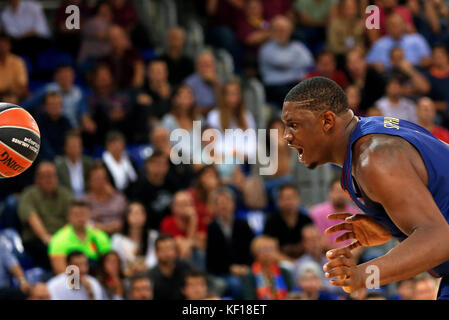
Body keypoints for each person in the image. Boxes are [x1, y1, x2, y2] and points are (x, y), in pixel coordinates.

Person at [281, 76, 449, 299]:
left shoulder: (374, 158)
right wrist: (391, 226)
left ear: (327, 121)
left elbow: (440, 239)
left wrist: (363, 276)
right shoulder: (372, 134)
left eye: (294, 125)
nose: (287, 137)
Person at [18, 162, 74, 270]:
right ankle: (62, 280)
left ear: (57, 178)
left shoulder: (65, 194)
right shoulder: (29, 194)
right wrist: (46, 237)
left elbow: (74, 216)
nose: (49, 179)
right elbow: (31, 217)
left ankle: (75, 282)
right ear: (37, 179)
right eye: (45, 176)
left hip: (63, 238)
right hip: (38, 239)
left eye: (52, 175)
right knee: (50, 250)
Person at [206, 187, 254, 299]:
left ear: (233, 204)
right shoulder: (212, 228)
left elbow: (251, 250)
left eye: (226, 202)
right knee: (236, 284)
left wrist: (245, 267)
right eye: (220, 203)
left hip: (245, 269)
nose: (224, 206)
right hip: (223, 272)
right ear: (215, 207)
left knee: (253, 279)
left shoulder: (243, 224)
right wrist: (230, 269)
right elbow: (212, 259)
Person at [258, 15, 314, 108]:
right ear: (272, 31)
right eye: (278, 30)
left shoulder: (297, 46)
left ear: (290, 31)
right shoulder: (266, 48)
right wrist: (296, 62)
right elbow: (281, 62)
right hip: (275, 86)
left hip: (297, 83)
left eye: (284, 30)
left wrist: (289, 65)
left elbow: (309, 62)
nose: (282, 33)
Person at [48, 200, 111, 274]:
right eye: (76, 214)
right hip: (70, 279)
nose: (80, 217)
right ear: (68, 217)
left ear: (89, 215)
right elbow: (60, 270)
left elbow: (109, 263)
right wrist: (81, 281)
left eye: (83, 214)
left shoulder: (100, 235)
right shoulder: (59, 239)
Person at [263, 183, 313, 262]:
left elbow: (313, 246)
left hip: (306, 263)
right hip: (279, 263)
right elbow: (270, 249)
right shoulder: (272, 221)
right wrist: (292, 263)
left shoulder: (306, 219)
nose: (288, 201)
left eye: (291, 198)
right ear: (279, 200)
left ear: (298, 199)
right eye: (285, 198)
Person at [365, 13, 432, 71]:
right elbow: (366, 63)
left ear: (404, 25)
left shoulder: (417, 40)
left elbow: (429, 60)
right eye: (392, 25)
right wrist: (374, 66)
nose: (395, 28)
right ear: (387, 27)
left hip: (414, 73)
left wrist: (419, 64)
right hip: (387, 77)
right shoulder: (379, 44)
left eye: (398, 24)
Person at [159, 191, 207, 268]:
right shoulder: (168, 222)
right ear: (174, 208)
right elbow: (182, 250)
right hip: (175, 263)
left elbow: (203, 244)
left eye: (190, 204)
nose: (187, 208)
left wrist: (193, 220)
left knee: (200, 254)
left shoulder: (200, 222)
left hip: (199, 263)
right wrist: (193, 222)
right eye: (183, 204)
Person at [309, 178, 360, 248]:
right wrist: (342, 252)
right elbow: (319, 241)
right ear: (330, 192)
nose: (341, 195)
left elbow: (359, 239)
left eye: (344, 191)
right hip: (326, 254)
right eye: (337, 191)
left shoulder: (356, 213)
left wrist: (352, 254)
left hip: (352, 254)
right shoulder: (316, 213)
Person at [111, 201, 159, 275]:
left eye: (141, 213)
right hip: (126, 274)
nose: (137, 217)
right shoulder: (117, 239)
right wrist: (127, 270)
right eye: (134, 213)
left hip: (149, 273)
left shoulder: (153, 236)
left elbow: (155, 257)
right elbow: (116, 260)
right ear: (126, 216)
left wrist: (146, 266)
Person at [241, 235, 294, 300]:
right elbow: (249, 297)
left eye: (270, 249)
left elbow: (293, 294)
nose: (267, 253)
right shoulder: (250, 275)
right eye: (263, 249)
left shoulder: (284, 272)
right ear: (255, 253)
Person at [82, 162, 127, 235]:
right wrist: (105, 228)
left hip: (119, 236)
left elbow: (127, 218)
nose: (100, 181)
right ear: (89, 181)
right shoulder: (85, 201)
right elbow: (84, 223)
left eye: (103, 178)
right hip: (94, 238)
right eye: (96, 178)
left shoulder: (118, 198)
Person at [146, 234, 192, 300]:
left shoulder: (185, 268)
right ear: (156, 253)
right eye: (163, 249)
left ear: (175, 251)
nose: (167, 253)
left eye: (170, 248)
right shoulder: (150, 276)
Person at [54, 130, 94, 199]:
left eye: (77, 145)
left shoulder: (89, 164)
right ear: (65, 147)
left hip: (87, 202)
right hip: (67, 202)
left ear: (81, 147)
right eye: (72, 145)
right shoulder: (59, 166)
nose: (75, 148)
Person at [36, 91, 74, 161]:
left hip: (64, 159)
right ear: (45, 106)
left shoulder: (66, 122)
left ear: (62, 106)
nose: (55, 107)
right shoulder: (39, 121)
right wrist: (55, 158)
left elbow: (71, 142)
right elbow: (42, 144)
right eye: (51, 104)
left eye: (57, 104)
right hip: (43, 159)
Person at [185, 51, 222, 115]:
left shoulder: (219, 81)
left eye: (210, 64)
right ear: (197, 66)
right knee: (196, 120)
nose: (207, 68)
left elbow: (223, 105)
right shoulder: (190, 83)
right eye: (204, 64)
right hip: (196, 117)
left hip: (214, 117)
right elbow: (187, 107)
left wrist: (216, 84)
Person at [0, 31, 28, 99]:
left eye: (5, 43)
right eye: (0, 44)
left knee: (51, 88)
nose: (2, 46)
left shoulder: (17, 61)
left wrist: (7, 90)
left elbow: (22, 85)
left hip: (18, 97)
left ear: (9, 45)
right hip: (1, 98)